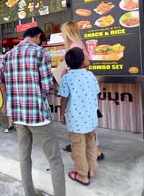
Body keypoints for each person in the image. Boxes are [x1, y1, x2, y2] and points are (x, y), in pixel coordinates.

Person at [0, 27, 65, 196]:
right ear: (38, 36)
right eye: (42, 39)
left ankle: (29, 193)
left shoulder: (8, 54)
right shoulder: (41, 53)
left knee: (24, 157)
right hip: (37, 115)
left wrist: (13, 92)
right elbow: (47, 86)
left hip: (18, 115)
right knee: (55, 159)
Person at [61, 21, 104, 161]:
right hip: (82, 88)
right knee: (85, 123)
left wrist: (67, 69)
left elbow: (86, 63)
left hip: (78, 88)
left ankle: (96, 152)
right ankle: (91, 150)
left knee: (81, 122)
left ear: (67, 32)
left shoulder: (75, 46)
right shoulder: (77, 44)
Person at [59, 47, 100, 186]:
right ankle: (92, 170)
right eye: (86, 57)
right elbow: (96, 93)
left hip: (76, 121)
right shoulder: (90, 75)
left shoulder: (66, 78)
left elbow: (64, 98)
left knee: (78, 147)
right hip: (91, 118)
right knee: (91, 144)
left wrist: (62, 113)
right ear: (82, 62)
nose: (88, 58)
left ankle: (82, 175)